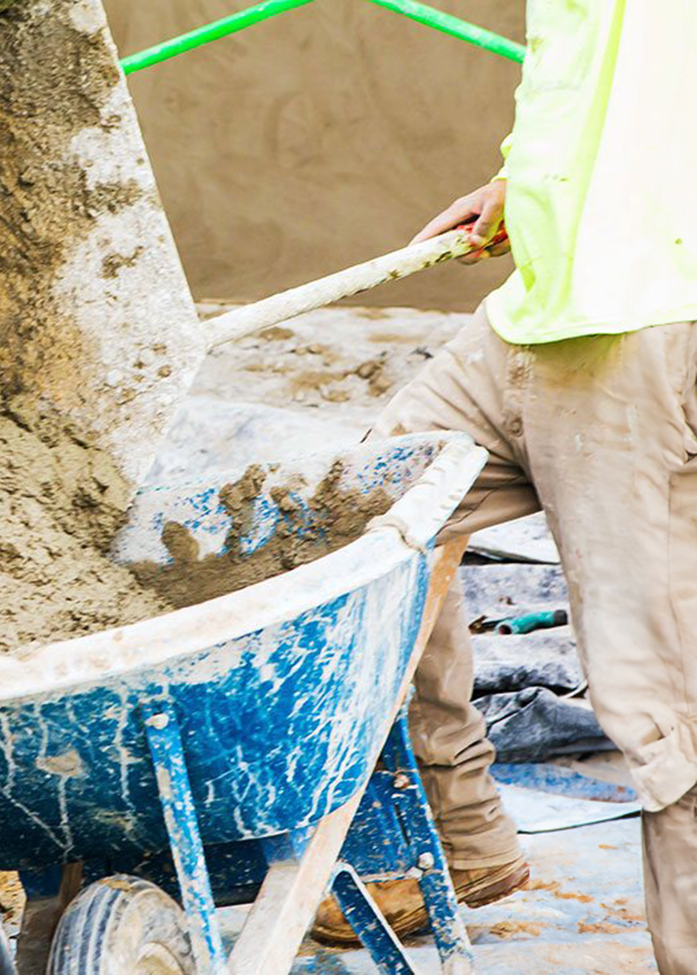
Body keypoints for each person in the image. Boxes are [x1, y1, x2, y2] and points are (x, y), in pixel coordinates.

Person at [313, 2, 697, 971]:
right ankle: (455, 835)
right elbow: (593, 83)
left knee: (655, 698)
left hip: (647, 321)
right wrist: (523, 184)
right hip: (535, 316)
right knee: (362, 527)